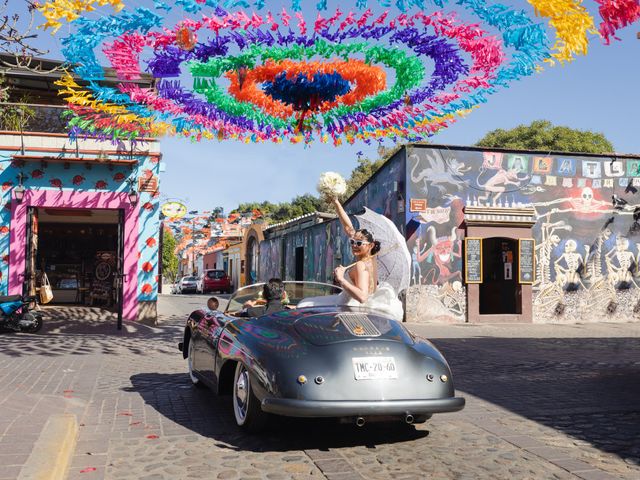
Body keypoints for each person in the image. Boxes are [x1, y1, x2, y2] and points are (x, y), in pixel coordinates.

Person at [297, 197, 404, 320]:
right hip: (351, 302)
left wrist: (341, 279)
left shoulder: (361, 265)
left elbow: (363, 297)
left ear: (371, 245)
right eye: (352, 242)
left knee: (305, 304)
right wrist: (336, 202)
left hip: (349, 306)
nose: (354, 245)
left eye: (359, 243)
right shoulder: (372, 258)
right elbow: (348, 228)